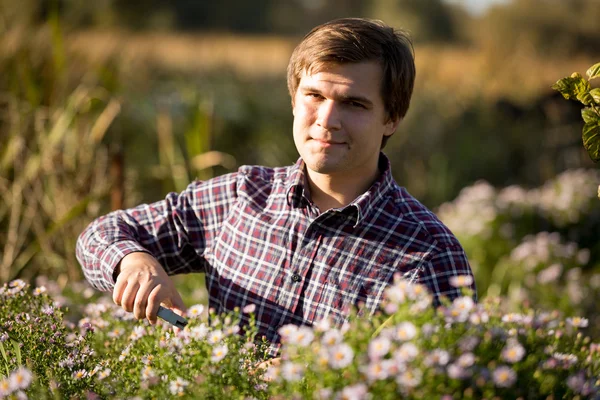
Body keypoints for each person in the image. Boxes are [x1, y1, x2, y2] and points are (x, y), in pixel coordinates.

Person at [76, 18, 476, 357]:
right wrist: (134, 262)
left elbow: (445, 381)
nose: (326, 120)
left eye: (354, 104)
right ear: (293, 101)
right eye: (314, 96)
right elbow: (100, 235)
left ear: (392, 118)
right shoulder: (240, 196)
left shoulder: (429, 255)